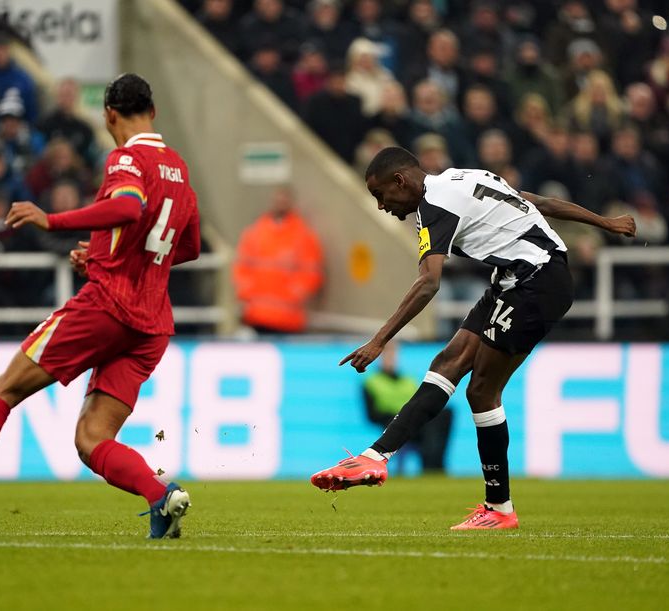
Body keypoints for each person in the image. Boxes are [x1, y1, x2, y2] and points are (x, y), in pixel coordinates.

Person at [0, 73, 200, 540]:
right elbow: (187, 246)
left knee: (2, 389)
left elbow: (128, 208)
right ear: (154, 112)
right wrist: (107, 252)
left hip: (107, 307)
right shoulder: (180, 169)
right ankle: (160, 497)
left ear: (109, 115)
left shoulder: (127, 157)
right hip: (151, 325)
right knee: (92, 440)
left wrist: (52, 220)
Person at [310, 147, 636, 530]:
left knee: (482, 391)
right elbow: (535, 202)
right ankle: (374, 457)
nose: (382, 206)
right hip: (516, 279)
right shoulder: (461, 177)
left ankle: (499, 508)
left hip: (536, 282)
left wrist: (379, 340)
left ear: (400, 181)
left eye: (380, 195)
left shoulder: (434, 207)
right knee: (447, 363)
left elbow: (428, 283)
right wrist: (605, 222)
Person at [233, 187, 324, 333]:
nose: (280, 204)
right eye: (278, 200)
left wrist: (293, 294)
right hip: (257, 315)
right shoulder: (255, 233)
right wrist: (248, 294)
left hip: (288, 317)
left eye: (284, 200)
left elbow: (312, 272)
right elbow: (241, 267)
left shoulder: (303, 236)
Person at [362, 342, 451, 473]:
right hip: (392, 423)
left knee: (445, 413)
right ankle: (432, 466)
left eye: (393, 355)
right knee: (430, 428)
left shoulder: (408, 380)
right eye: (386, 355)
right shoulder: (371, 382)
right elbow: (371, 415)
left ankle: (435, 463)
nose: (390, 358)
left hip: (415, 422)